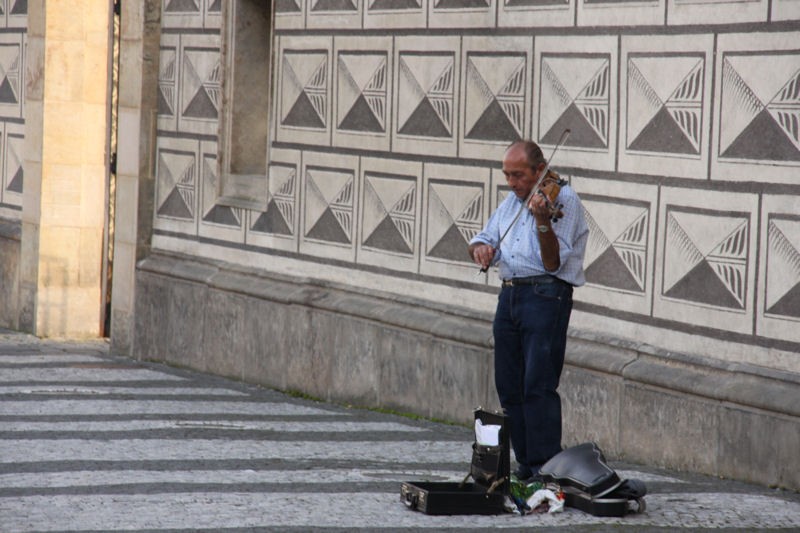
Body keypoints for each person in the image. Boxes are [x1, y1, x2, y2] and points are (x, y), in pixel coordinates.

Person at [468, 139, 588, 481]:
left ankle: (545, 465)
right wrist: (480, 249)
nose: (512, 182)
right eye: (507, 175)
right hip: (510, 296)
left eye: (518, 175)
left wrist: (542, 221)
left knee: (538, 384)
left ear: (539, 171)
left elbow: (552, 262)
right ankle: (524, 464)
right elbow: (484, 237)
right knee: (509, 386)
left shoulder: (564, 200)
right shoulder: (512, 201)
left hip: (545, 294)